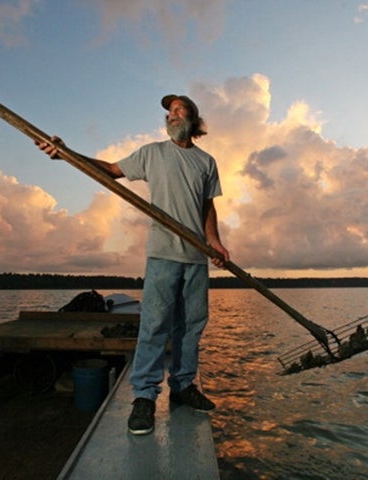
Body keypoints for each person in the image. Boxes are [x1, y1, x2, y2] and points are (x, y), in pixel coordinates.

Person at [36, 94, 229, 436]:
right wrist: (66, 155)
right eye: (169, 112)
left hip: (196, 257)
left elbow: (207, 207)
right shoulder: (152, 153)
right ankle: (144, 397)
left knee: (192, 325)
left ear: (194, 119)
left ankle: (183, 387)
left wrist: (214, 242)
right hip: (162, 254)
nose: (172, 115)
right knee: (154, 325)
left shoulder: (206, 162)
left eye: (179, 109)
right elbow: (111, 171)